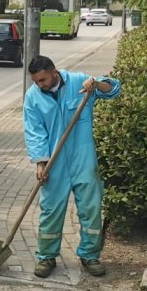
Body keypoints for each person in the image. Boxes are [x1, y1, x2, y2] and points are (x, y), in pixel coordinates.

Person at [23, 55, 121, 278]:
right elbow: (34, 131)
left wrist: (96, 84)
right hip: (54, 162)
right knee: (50, 209)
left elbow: (114, 89)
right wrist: (40, 162)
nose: (40, 85)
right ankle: (46, 256)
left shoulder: (79, 82)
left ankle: (89, 255)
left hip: (83, 157)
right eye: (36, 81)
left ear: (54, 72)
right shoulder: (33, 97)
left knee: (91, 208)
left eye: (43, 80)